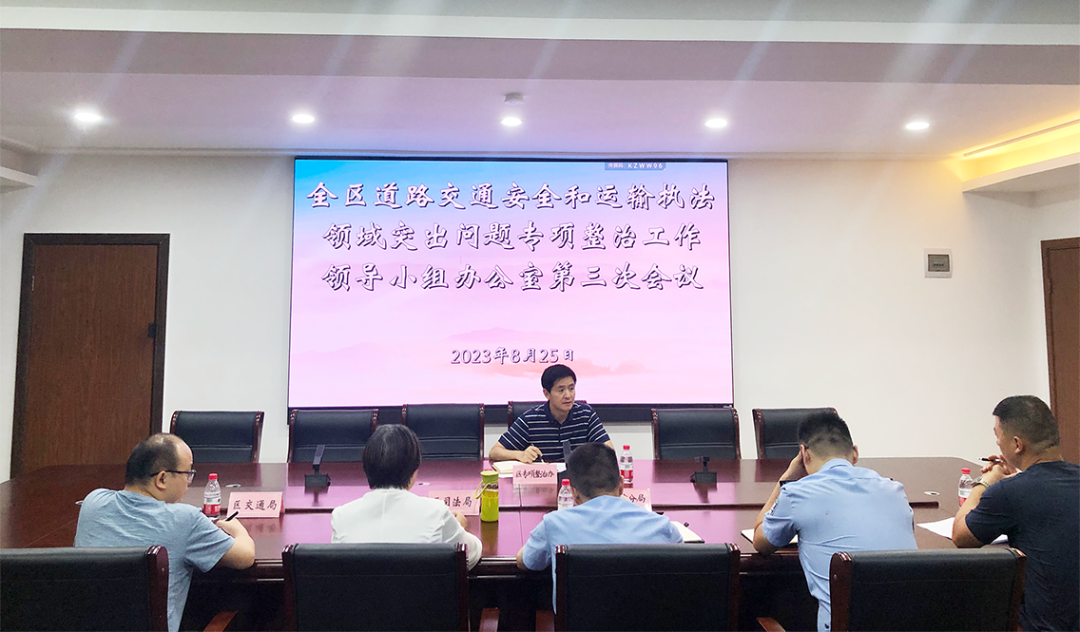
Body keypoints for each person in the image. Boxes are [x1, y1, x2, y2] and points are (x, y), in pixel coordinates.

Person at [752, 411, 916, 632]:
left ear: (804, 454)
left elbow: (760, 541)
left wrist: (787, 477)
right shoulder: (894, 490)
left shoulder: (798, 493)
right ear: (855, 453)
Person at [74, 434, 255, 632]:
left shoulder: (93, 502)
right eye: (187, 474)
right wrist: (238, 530)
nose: (189, 482)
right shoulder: (185, 519)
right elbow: (245, 557)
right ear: (162, 478)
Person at [953, 395, 1080, 632]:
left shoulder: (1009, 492)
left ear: (1017, 444)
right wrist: (1016, 476)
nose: (997, 444)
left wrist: (986, 481)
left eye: (998, 436)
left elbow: (960, 537)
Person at [517, 442, 683, 607]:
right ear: (621, 485)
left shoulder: (554, 524)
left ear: (574, 493)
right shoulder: (662, 527)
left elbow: (525, 562)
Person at [331, 424, 482, 569]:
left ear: (366, 468)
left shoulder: (342, 517)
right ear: (414, 468)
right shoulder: (436, 514)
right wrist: (457, 528)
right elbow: (472, 554)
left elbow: (338, 569)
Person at [490, 364, 613, 463]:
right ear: (546, 394)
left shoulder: (586, 414)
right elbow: (495, 452)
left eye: (571, 388)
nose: (568, 395)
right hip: (543, 481)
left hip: (579, 480)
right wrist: (520, 455)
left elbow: (609, 450)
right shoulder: (530, 419)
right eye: (561, 390)